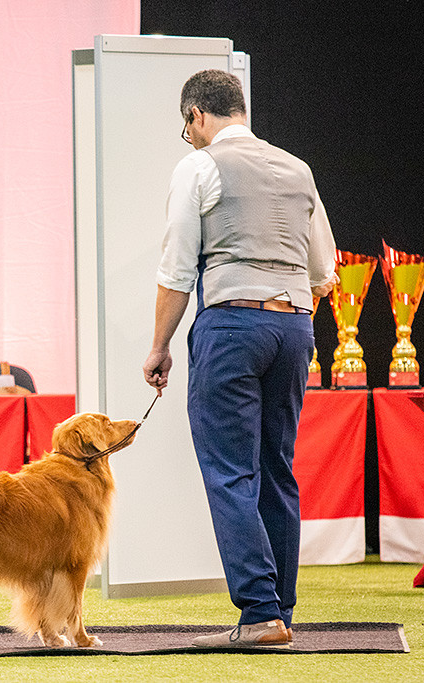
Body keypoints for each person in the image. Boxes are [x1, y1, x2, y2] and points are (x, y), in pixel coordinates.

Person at [141, 70, 338, 648]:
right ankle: (282, 610)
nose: (191, 138)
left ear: (197, 115)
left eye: (188, 128)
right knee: (277, 468)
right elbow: (325, 269)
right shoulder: (297, 168)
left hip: (232, 325)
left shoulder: (198, 168)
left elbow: (177, 270)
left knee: (230, 471)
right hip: (294, 328)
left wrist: (159, 346)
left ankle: (258, 613)